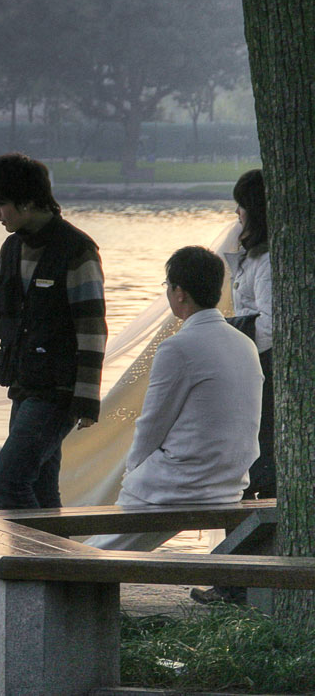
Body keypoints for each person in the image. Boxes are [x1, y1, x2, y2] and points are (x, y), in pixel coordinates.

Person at [0, 152, 107, 509]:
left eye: (1, 204)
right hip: (24, 386)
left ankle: (30, 562)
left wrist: (87, 401)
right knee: (43, 491)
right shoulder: (11, 249)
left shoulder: (77, 251)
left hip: (59, 392)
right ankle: (60, 564)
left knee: (9, 483)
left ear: (28, 202)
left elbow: (92, 331)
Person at [87, 246, 263, 552]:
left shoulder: (178, 347)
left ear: (180, 293)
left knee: (100, 548)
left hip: (183, 485)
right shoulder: (244, 343)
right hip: (229, 484)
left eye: (168, 287)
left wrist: (133, 474)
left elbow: (153, 423)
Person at [191, 169, 274, 605]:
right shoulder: (254, 259)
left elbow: (274, 327)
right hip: (254, 372)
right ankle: (233, 580)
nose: (236, 216)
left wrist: (226, 331)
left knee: (252, 476)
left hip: (265, 376)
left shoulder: (268, 262)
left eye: (241, 208)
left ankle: (236, 583)